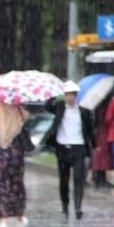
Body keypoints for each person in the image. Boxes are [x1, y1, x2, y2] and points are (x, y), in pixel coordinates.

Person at [42, 81, 95, 219]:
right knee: (64, 180)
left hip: (79, 148)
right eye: (66, 94)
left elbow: (89, 131)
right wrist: (54, 93)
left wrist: (93, 146)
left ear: (75, 96)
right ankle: (65, 206)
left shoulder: (83, 112)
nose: (68, 97)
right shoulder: (60, 108)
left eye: (71, 94)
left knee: (78, 179)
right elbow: (47, 106)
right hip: (63, 148)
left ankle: (78, 207)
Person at [0, 100, 30, 227]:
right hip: (16, 152)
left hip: (1, 151)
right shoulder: (19, 111)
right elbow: (25, 130)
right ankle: (19, 215)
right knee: (16, 183)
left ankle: (3, 217)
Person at [90, 102, 113, 188]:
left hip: (101, 132)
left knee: (101, 156)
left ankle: (100, 178)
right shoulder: (97, 108)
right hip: (99, 132)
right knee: (99, 156)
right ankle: (98, 178)